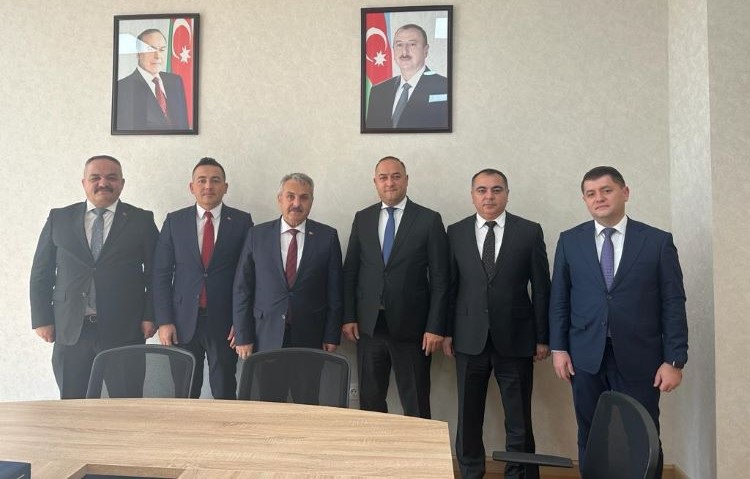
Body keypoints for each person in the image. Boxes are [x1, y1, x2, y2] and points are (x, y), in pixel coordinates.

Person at [549, 166, 688, 478]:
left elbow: (673, 302)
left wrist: (674, 360)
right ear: (585, 200)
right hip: (585, 357)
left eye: (606, 190)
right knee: (591, 435)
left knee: (642, 436)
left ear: (625, 193)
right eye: (591, 194)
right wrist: (559, 349)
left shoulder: (657, 241)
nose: (598, 198)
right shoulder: (570, 241)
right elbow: (559, 299)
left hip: (641, 357)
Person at [445, 169, 550, 479]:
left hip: (516, 339)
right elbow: (449, 287)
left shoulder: (529, 231)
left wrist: (543, 337)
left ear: (507, 194)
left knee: (519, 419)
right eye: (482, 190)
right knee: (468, 417)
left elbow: (541, 288)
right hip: (468, 339)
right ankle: (470, 472)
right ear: (472, 195)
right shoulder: (456, 232)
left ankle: (519, 474)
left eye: (496, 189)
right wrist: (447, 332)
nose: (489, 196)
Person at [30, 155, 159, 399]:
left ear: (122, 183)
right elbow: (41, 272)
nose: (103, 183)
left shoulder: (141, 220)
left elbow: (156, 274)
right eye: (95, 177)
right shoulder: (59, 218)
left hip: (125, 329)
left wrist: (150, 315)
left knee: (126, 403)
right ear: (84, 183)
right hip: (70, 329)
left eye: (111, 177)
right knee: (73, 403)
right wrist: (42, 319)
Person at [343, 156, 448, 418]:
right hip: (369, 328)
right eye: (383, 177)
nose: (390, 182)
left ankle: (418, 447)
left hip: (413, 330)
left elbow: (440, 279)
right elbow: (351, 272)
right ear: (375, 182)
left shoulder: (429, 220)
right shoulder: (363, 218)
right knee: (370, 402)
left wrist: (435, 326)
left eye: (396, 176)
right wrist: (349, 316)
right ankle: (374, 446)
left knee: (416, 403)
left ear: (406, 180)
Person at [233, 173, 343, 402]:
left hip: (310, 336)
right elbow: (242, 288)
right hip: (266, 336)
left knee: (307, 401)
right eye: (290, 196)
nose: (296, 203)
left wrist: (332, 334)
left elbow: (335, 291)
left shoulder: (327, 237)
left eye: (304, 197)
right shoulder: (257, 235)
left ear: (311, 201)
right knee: (269, 403)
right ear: (279, 199)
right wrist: (243, 335)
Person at [152, 157, 252, 399]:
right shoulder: (174, 221)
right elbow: (161, 274)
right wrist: (164, 321)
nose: (208, 186)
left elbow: (249, 277)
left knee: (224, 389)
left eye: (215, 180)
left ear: (225, 187)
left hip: (225, 322)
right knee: (184, 391)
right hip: (182, 321)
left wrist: (241, 323)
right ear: (192, 187)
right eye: (202, 180)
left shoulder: (242, 222)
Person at [365, 24, 448, 130]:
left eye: (412, 44)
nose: (404, 52)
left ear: (425, 50)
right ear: (393, 50)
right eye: (399, 45)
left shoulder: (444, 87)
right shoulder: (378, 91)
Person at [116, 28, 189, 130]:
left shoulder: (175, 81)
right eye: (150, 50)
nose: (157, 56)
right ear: (138, 53)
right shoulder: (122, 88)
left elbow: (184, 125)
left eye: (161, 50)